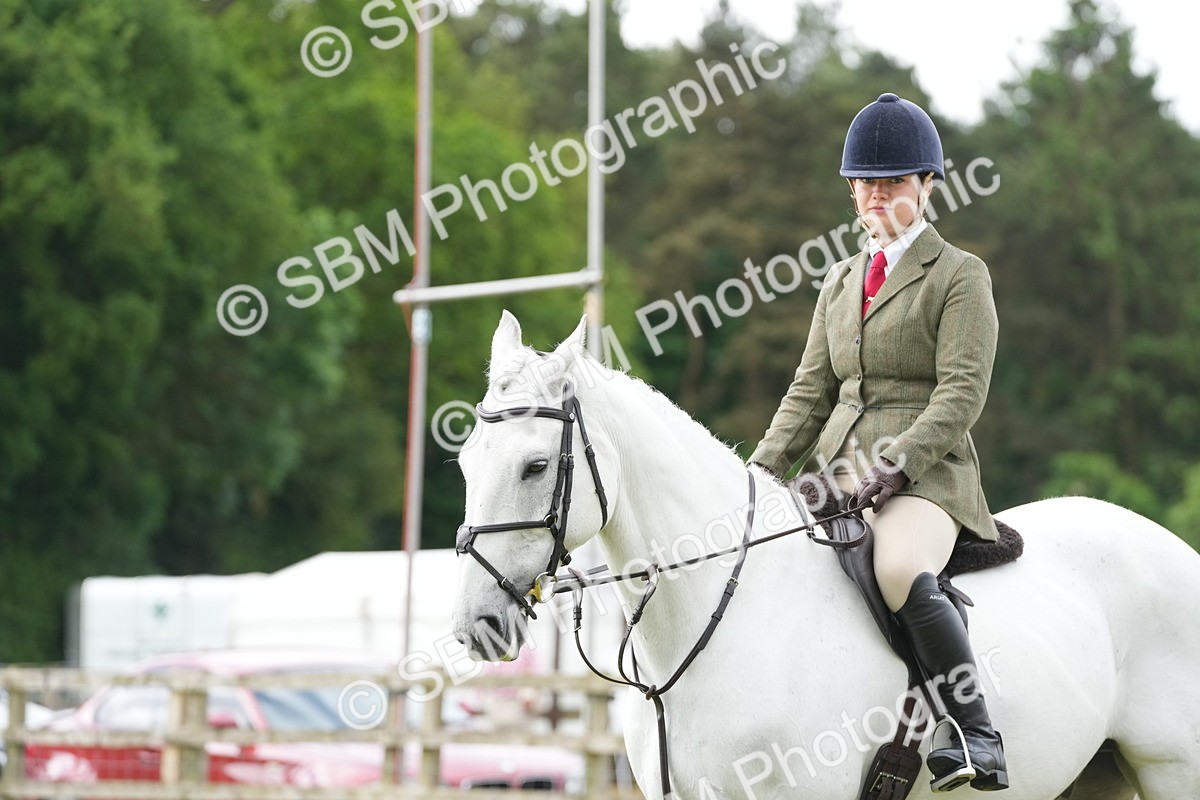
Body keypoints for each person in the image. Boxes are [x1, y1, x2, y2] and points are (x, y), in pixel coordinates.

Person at [748, 92, 1008, 793]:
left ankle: (977, 733)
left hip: (927, 476)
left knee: (896, 569)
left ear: (927, 186)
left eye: (892, 181)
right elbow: (809, 393)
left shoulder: (958, 276)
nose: (873, 194)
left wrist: (898, 464)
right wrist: (756, 473)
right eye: (864, 182)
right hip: (836, 472)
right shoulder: (837, 281)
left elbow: (961, 393)